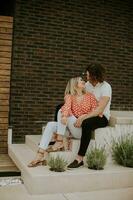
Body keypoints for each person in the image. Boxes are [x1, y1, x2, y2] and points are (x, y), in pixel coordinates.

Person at [28, 76, 98, 167]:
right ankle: (39, 155)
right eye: (81, 80)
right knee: (51, 124)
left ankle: (59, 141)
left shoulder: (90, 96)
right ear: (74, 84)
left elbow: (96, 111)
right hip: (70, 128)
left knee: (62, 111)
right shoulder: (69, 96)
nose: (84, 81)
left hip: (81, 129)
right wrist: (65, 116)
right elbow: (67, 107)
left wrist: (83, 116)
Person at [68, 63, 112, 168]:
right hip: (87, 112)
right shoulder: (87, 85)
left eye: (87, 74)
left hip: (101, 116)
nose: (86, 76)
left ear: (94, 75)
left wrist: (83, 117)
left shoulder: (106, 87)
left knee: (87, 123)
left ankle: (79, 158)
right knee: (61, 106)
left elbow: (100, 109)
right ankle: (59, 137)